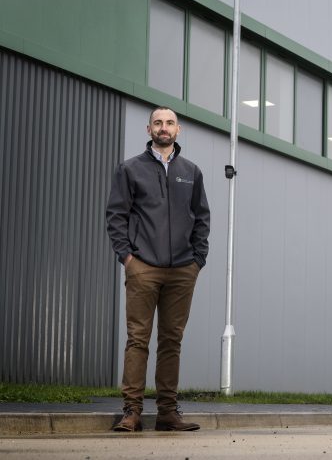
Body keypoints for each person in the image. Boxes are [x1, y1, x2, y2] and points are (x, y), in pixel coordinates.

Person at [106, 107, 210, 432]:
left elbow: (202, 218)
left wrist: (197, 260)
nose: (164, 128)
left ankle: (167, 412)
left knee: (171, 341)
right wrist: (127, 257)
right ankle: (131, 411)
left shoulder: (191, 172)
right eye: (158, 123)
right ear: (148, 128)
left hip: (182, 270)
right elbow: (116, 215)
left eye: (169, 123)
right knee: (138, 339)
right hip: (143, 267)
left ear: (178, 130)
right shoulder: (130, 169)